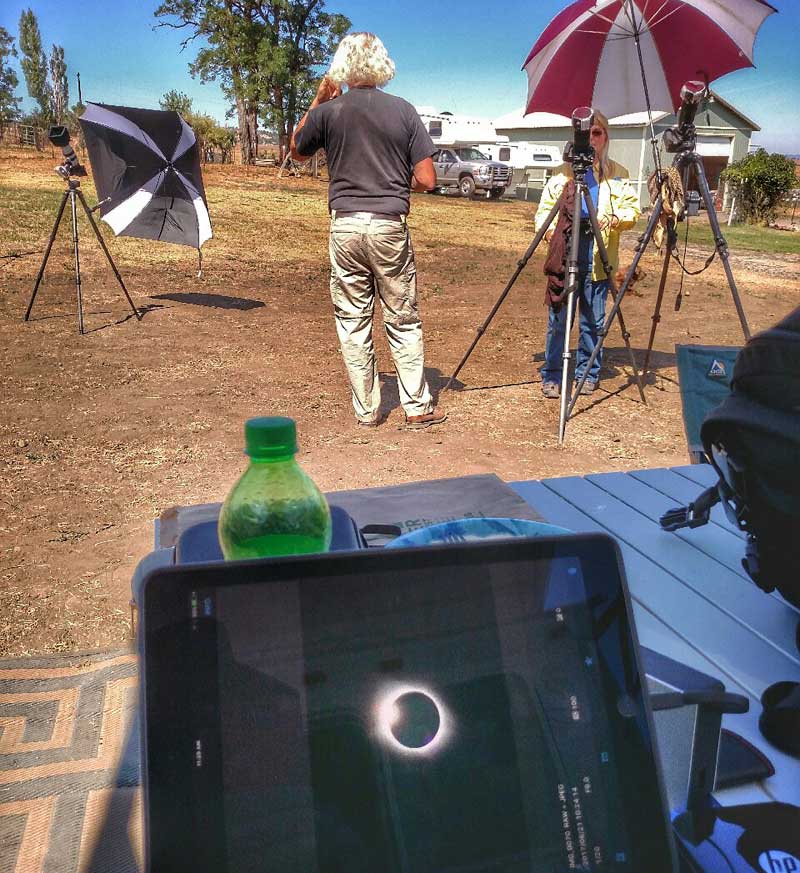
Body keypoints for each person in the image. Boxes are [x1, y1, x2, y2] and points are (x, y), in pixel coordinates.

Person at [290, 32, 446, 430]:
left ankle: (366, 411)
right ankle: (416, 406)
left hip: (344, 224)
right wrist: (396, 183)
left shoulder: (330, 112)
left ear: (342, 66)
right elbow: (427, 179)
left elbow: (297, 150)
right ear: (381, 64)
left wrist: (319, 100)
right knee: (403, 317)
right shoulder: (404, 111)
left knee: (352, 320)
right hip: (389, 225)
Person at [534, 111, 640, 398]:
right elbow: (544, 212)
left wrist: (616, 218)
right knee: (559, 321)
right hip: (566, 253)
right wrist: (549, 233)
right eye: (587, 133)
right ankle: (553, 374)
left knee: (593, 320)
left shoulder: (618, 174)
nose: (592, 139)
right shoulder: (561, 173)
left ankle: (586, 374)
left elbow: (633, 210)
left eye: (598, 133)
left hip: (600, 256)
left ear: (606, 137)